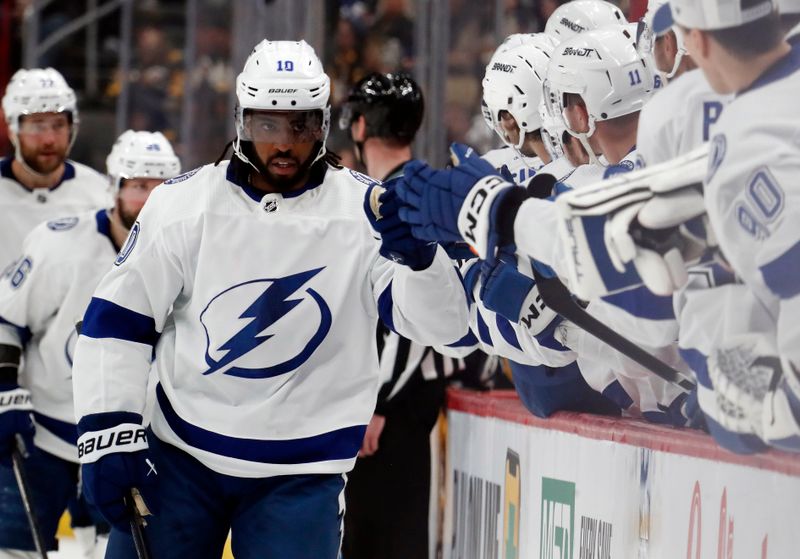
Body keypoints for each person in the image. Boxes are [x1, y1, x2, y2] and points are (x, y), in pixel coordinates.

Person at [71, 39, 468, 559]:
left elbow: (448, 330)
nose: (285, 144)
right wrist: (108, 426)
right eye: (268, 126)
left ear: (323, 125)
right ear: (242, 121)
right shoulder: (184, 205)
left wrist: (421, 259)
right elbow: (118, 320)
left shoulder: (365, 211)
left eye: (300, 127)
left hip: (302, 474)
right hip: (181, 458)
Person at [0, 130, 179, 557]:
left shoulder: (187, 252)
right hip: (42, 435)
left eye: (159, 188)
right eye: (138, 186)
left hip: (132, 440)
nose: (149, 200)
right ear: (114, 187)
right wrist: (5, 386)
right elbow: (6, 319)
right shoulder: (59, 244)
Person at [338, 71, 464, 559]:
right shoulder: (420, 188)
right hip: (393, 407)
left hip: (392, 412)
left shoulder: (398, 198)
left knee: (381, 540)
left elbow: (415, 320)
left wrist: (378, 402)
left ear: (362, 125)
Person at [0, 67, 110, 270]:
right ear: (12, 129)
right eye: (37, 125)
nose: (49, 139)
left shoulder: (101, 195)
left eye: (58, 125)